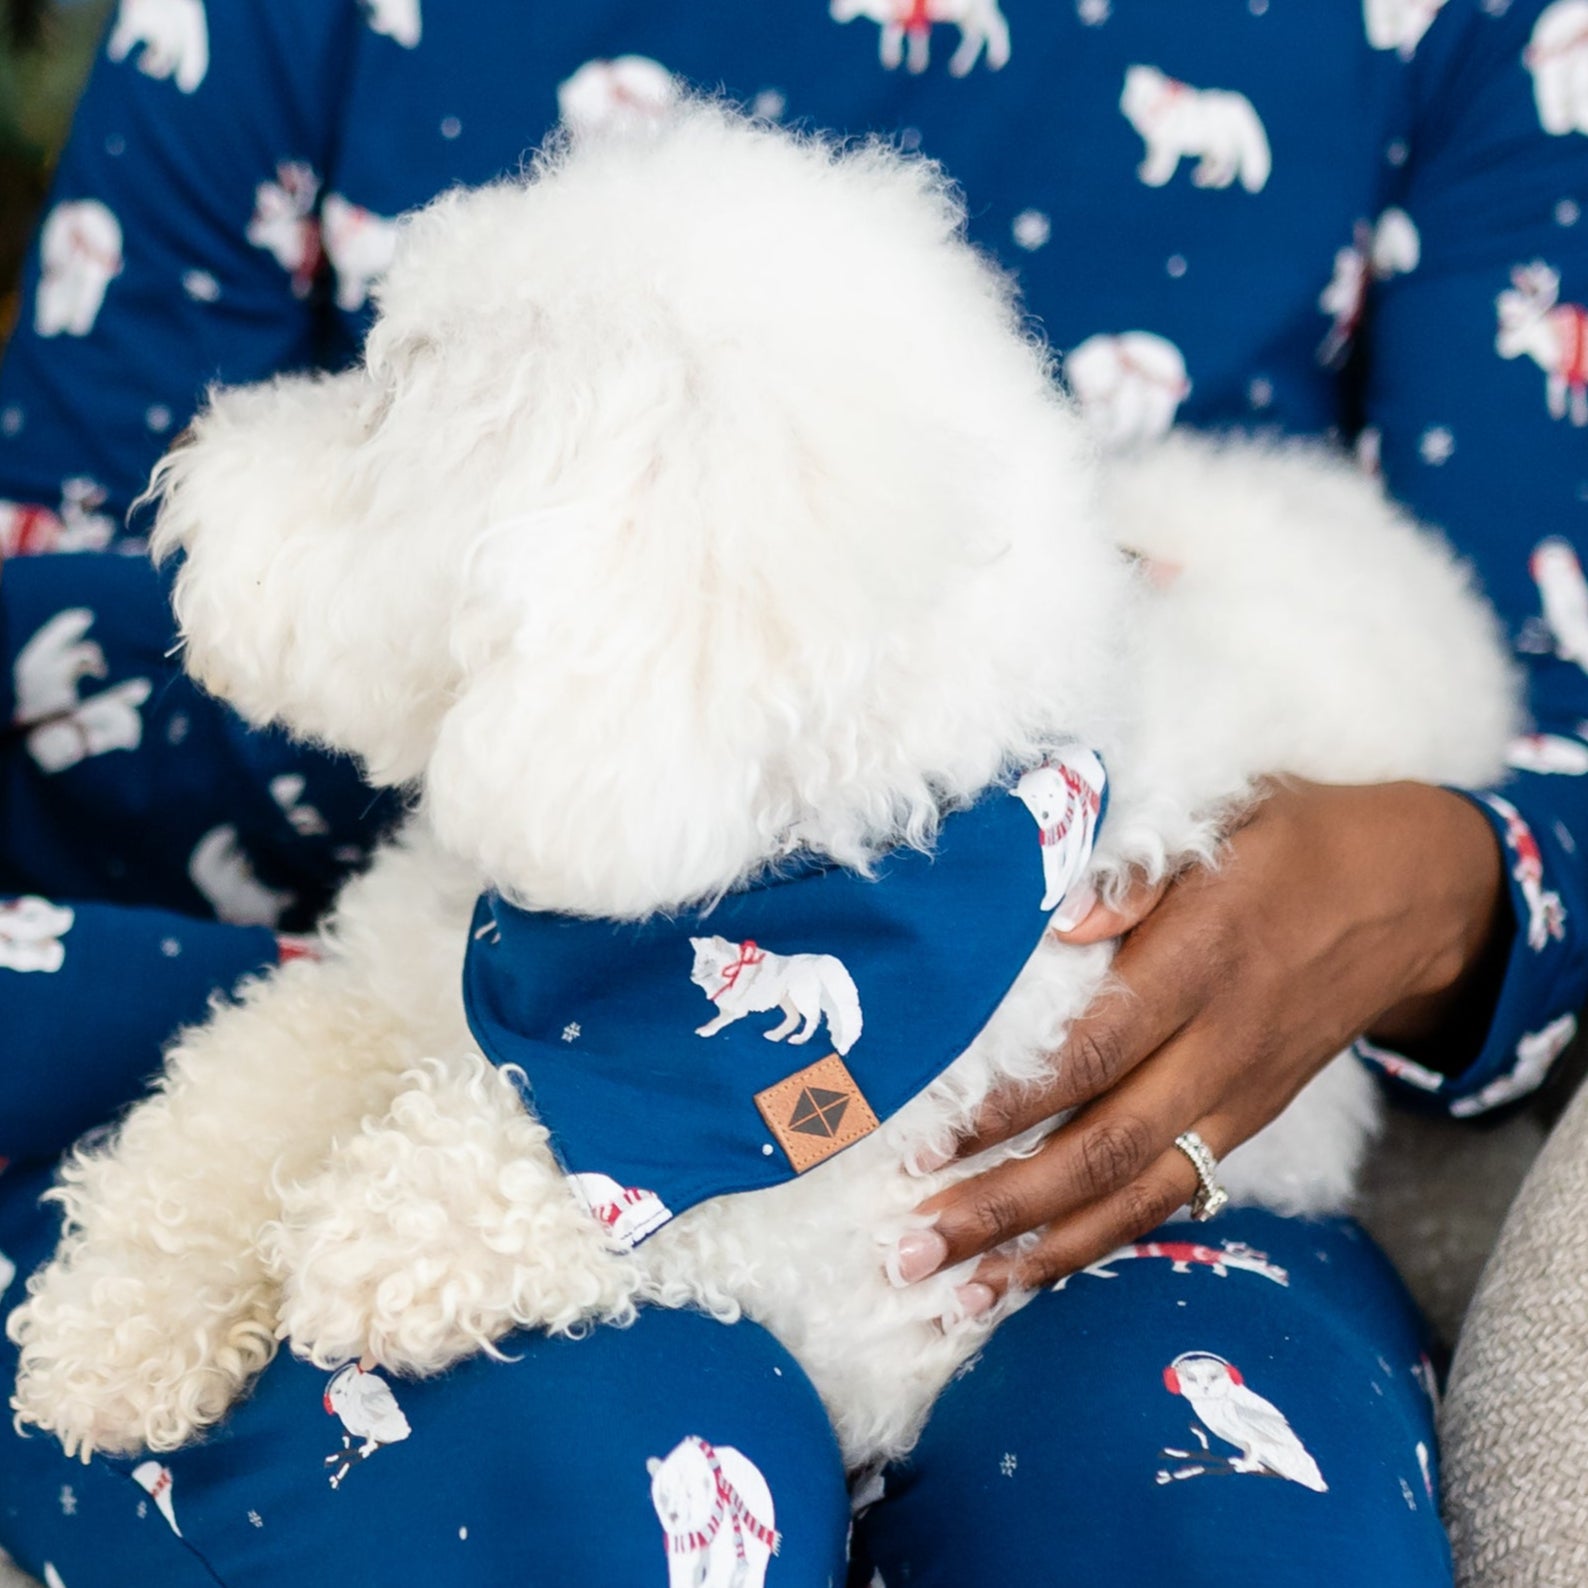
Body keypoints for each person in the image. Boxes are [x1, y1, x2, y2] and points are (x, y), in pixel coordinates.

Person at [0, 2, 1584, 1582]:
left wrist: (1436, 877)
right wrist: (529, 686)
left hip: (1125, 1120)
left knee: (1204, 1516)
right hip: (306, 930)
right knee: (619, 1471)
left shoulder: (1462, 33)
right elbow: (56, 616)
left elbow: (1556, 744)